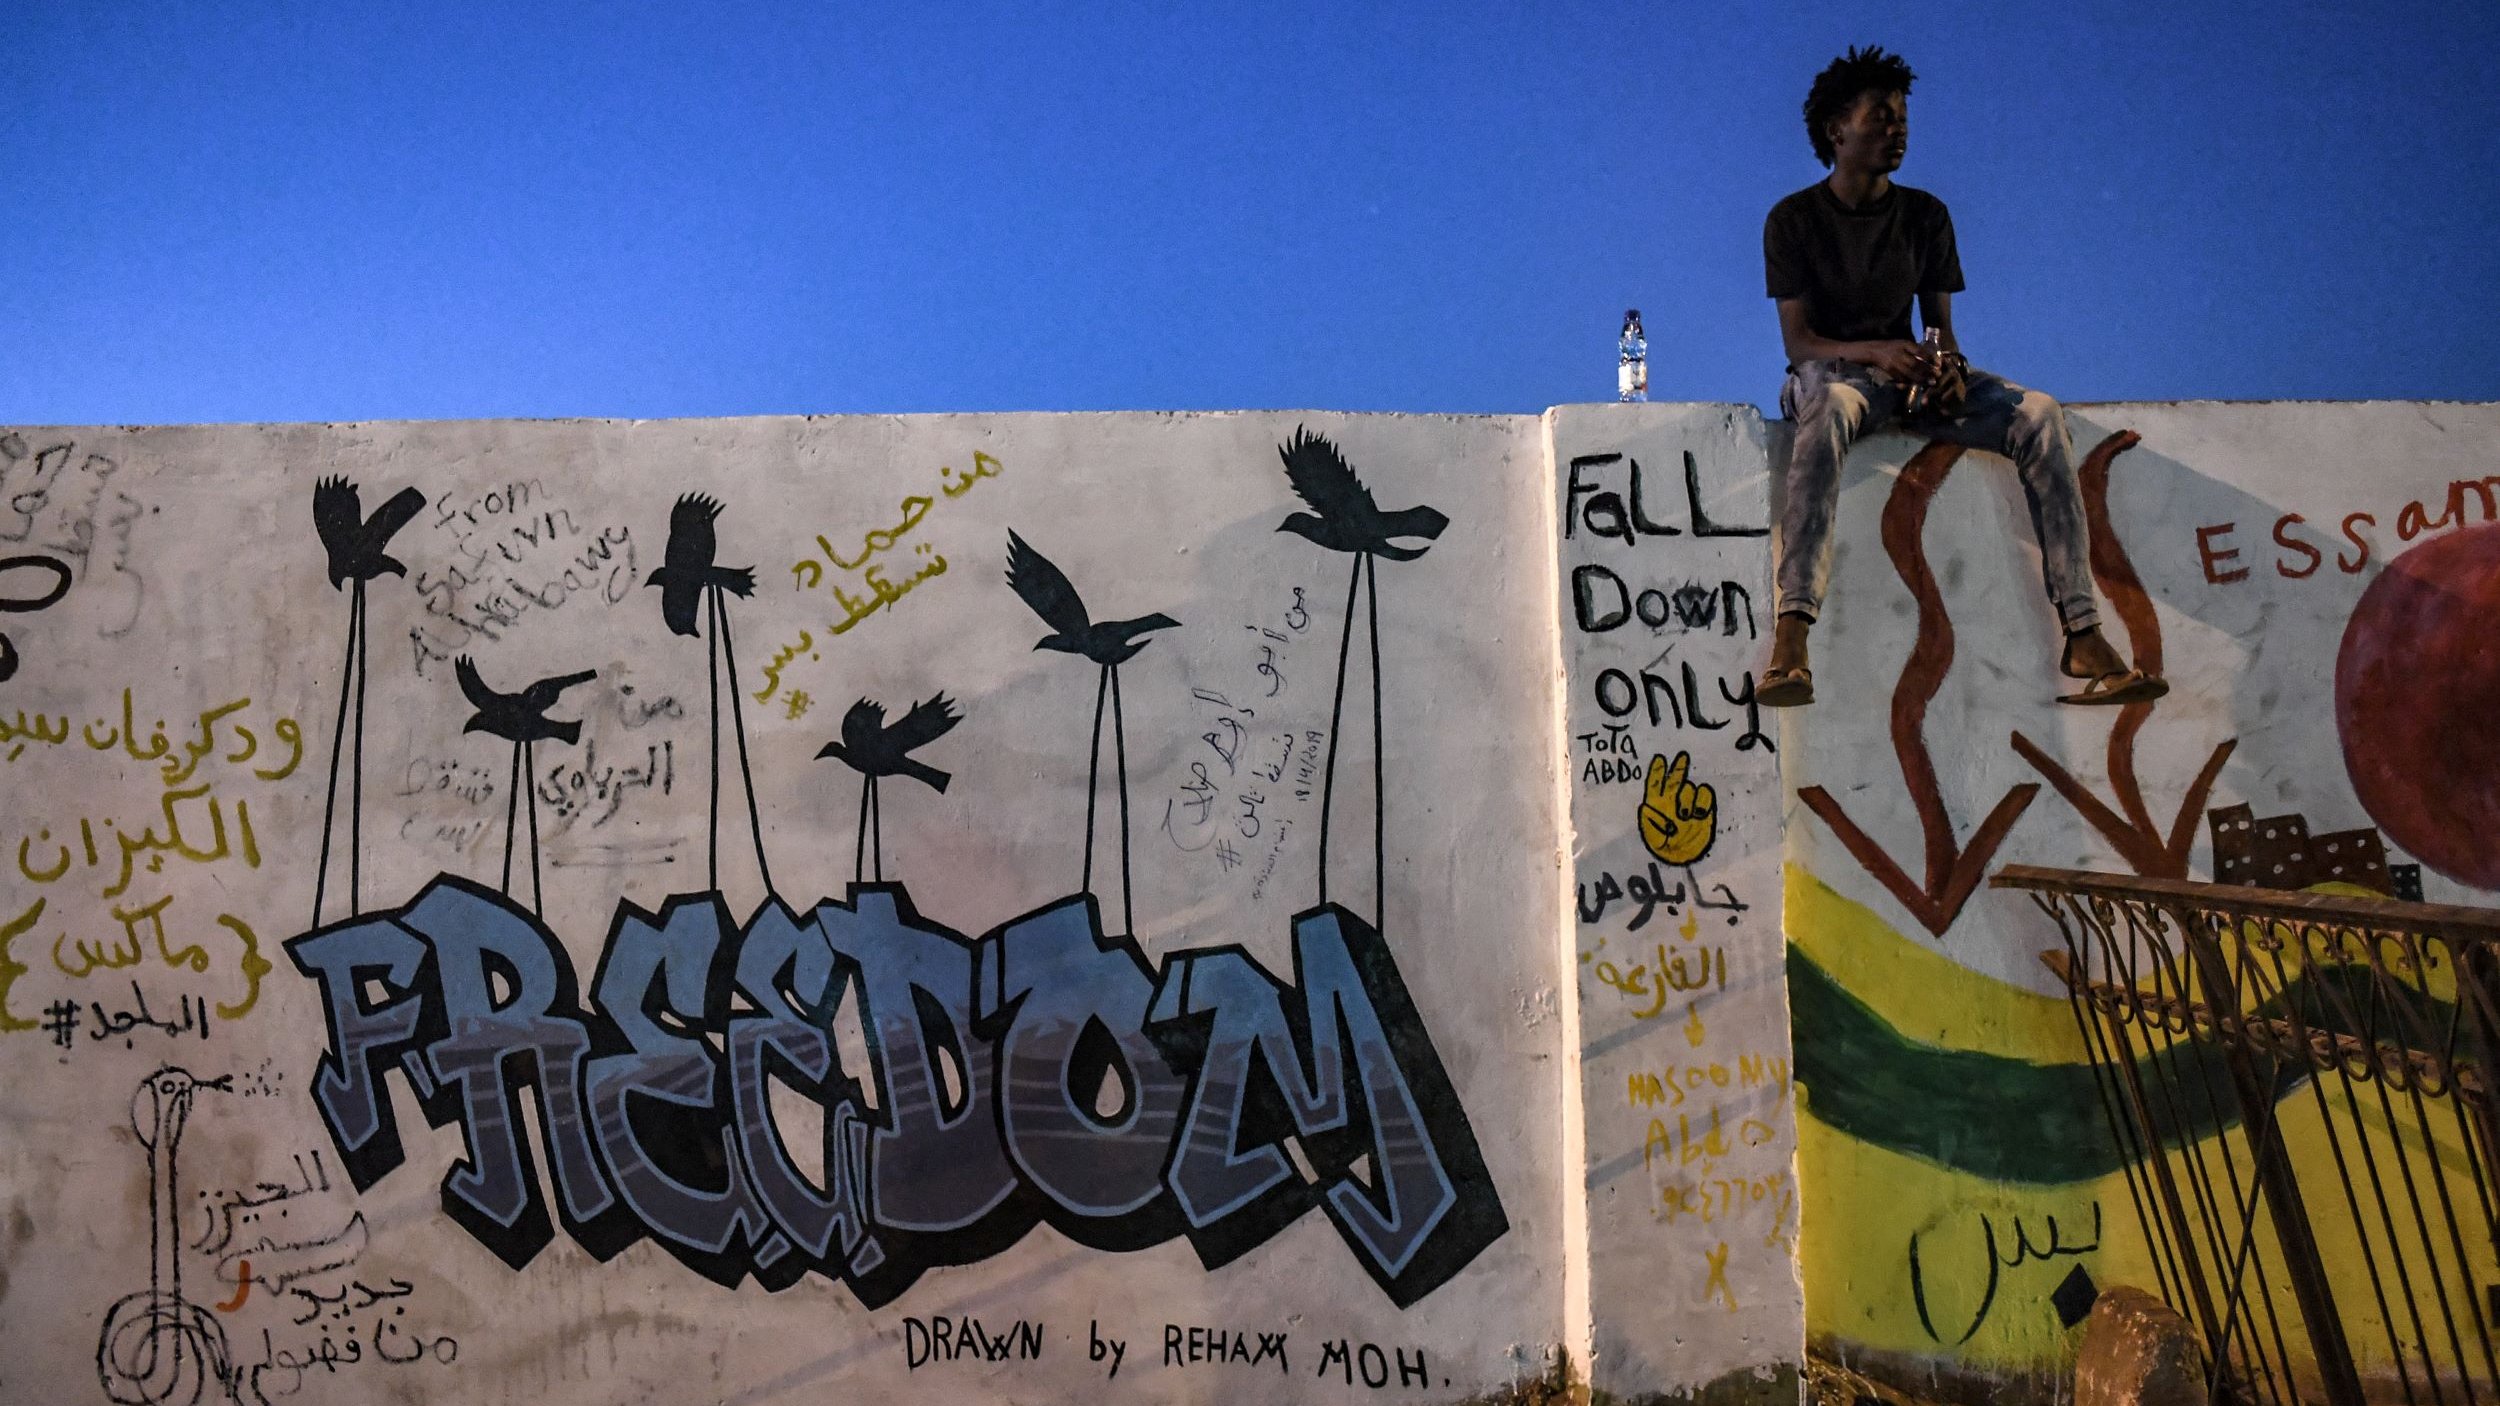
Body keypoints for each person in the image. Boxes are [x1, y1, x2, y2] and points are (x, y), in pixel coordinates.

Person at [1756, 45, 2164, 709]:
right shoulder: (1793, 220)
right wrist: (1879, 352)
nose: (1898, 130)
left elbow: (1939, 327)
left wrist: (1946, 366)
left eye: (1903, 120)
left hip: (1908, 380)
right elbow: (1799, 342)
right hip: (1834, 376)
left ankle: (2083, 632)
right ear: (1838, 130)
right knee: (1828, 406)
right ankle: (1792, 639)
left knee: (2037, 412)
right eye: (1881, 117)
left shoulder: (1926, 215)